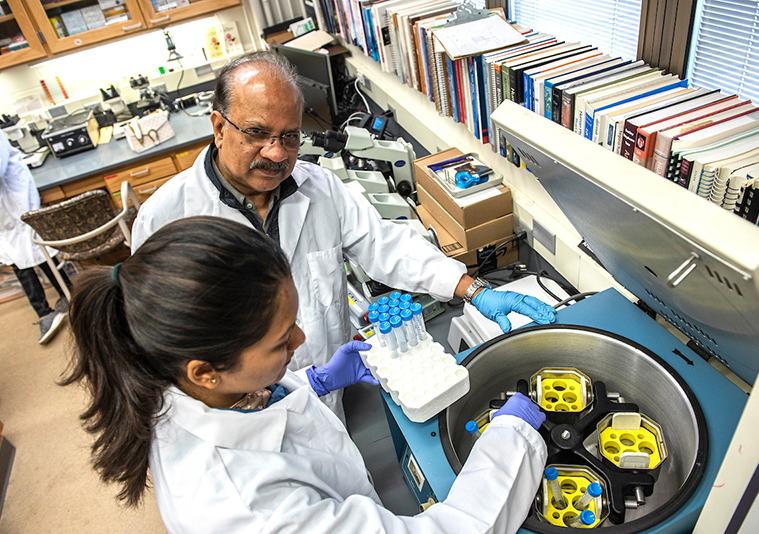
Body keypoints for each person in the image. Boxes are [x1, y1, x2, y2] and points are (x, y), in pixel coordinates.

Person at [130, 51, 556, 417]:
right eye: (257, 134)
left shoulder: (320, 187)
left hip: (328, 389)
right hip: (237, 416)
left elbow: (383, 244)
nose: (277, 153)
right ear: (219, 127)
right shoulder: (166, 219)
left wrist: (473, 289)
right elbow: (163, 348)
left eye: (290, 136)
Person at [64, 216, 547, 533]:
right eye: (281, 341)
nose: (300, 342)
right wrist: (513, 436)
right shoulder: (250, 512)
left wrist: (310, 383)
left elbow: (247, 410)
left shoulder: (170, 379)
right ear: (205, 371)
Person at [1, 130, 70, 343]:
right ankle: (52, 306)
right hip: (6, 214)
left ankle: (61, 299)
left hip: (15, 198)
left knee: (36, 248)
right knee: (19, 257)